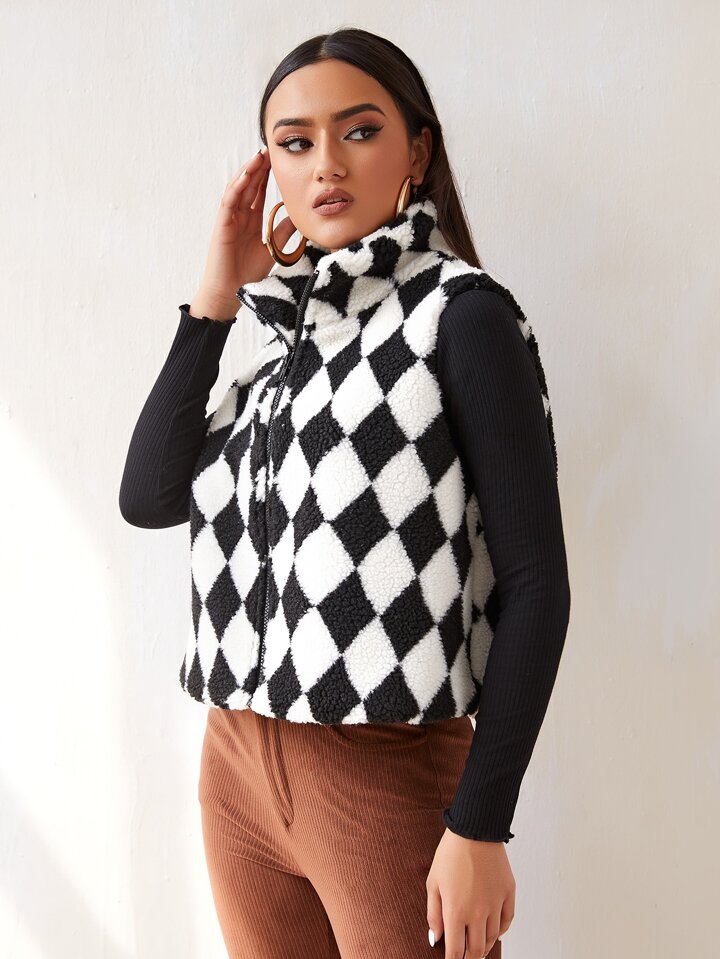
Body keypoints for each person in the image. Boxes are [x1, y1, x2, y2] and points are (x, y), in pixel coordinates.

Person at [119, 27, 571, 959]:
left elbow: (537, 583)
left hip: (385, 768)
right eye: (294, 142)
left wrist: (481, 822)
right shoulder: (284, 342)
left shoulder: (462, 317)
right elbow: (149, 494)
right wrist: (217, 291)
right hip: (236, 767)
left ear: (418, 151)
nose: (325, 163)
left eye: (359, 131)